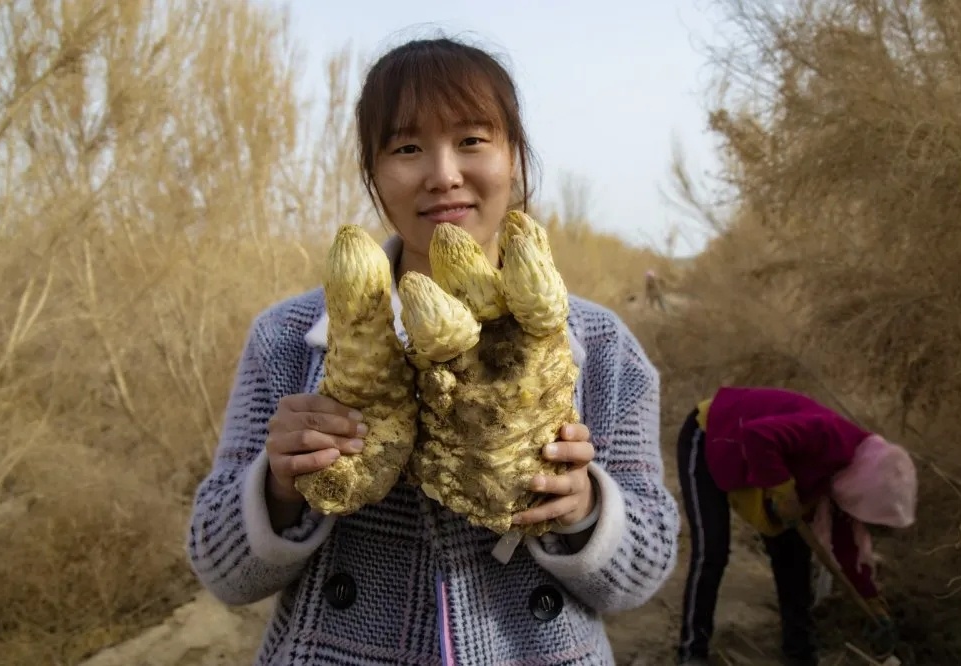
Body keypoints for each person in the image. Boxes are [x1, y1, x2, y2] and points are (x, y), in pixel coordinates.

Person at [185, 35, 680, 666]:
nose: (443, 174)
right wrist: (277, 488)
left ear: (514, 157)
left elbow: (646, 571)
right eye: (407, 147)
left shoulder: (604, 347)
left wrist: (585, 509)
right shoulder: (287, 338)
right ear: (373, 172)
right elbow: (220, 571)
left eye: (473, 140)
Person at [674, 386, 917, 666]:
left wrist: (869, 597)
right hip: (712, 435)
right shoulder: (829, 435)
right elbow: (757, 435)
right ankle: (692, 651)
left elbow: (846, 544)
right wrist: (782, 488)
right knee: (713, 549)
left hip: (763, 462)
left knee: (793, 558)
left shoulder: (851, 478)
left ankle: (799, 653)